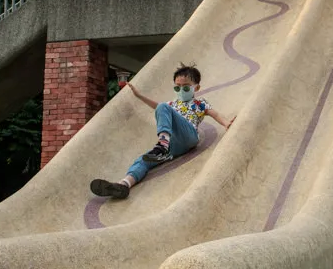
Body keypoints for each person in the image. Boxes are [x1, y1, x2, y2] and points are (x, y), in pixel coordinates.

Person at [90, 63, 235, 200]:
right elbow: (158, 107)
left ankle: (162, 143)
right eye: (177, 88)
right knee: (144, 160)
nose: (181, 91)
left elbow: (215, 114)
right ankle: (124, 185)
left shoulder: (199, 103)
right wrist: (139, 95)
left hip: (189, 136)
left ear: (196, 88)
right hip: (174, 146)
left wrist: (226, 123)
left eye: (185, 88)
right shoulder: (172, 104)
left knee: (163, 107)